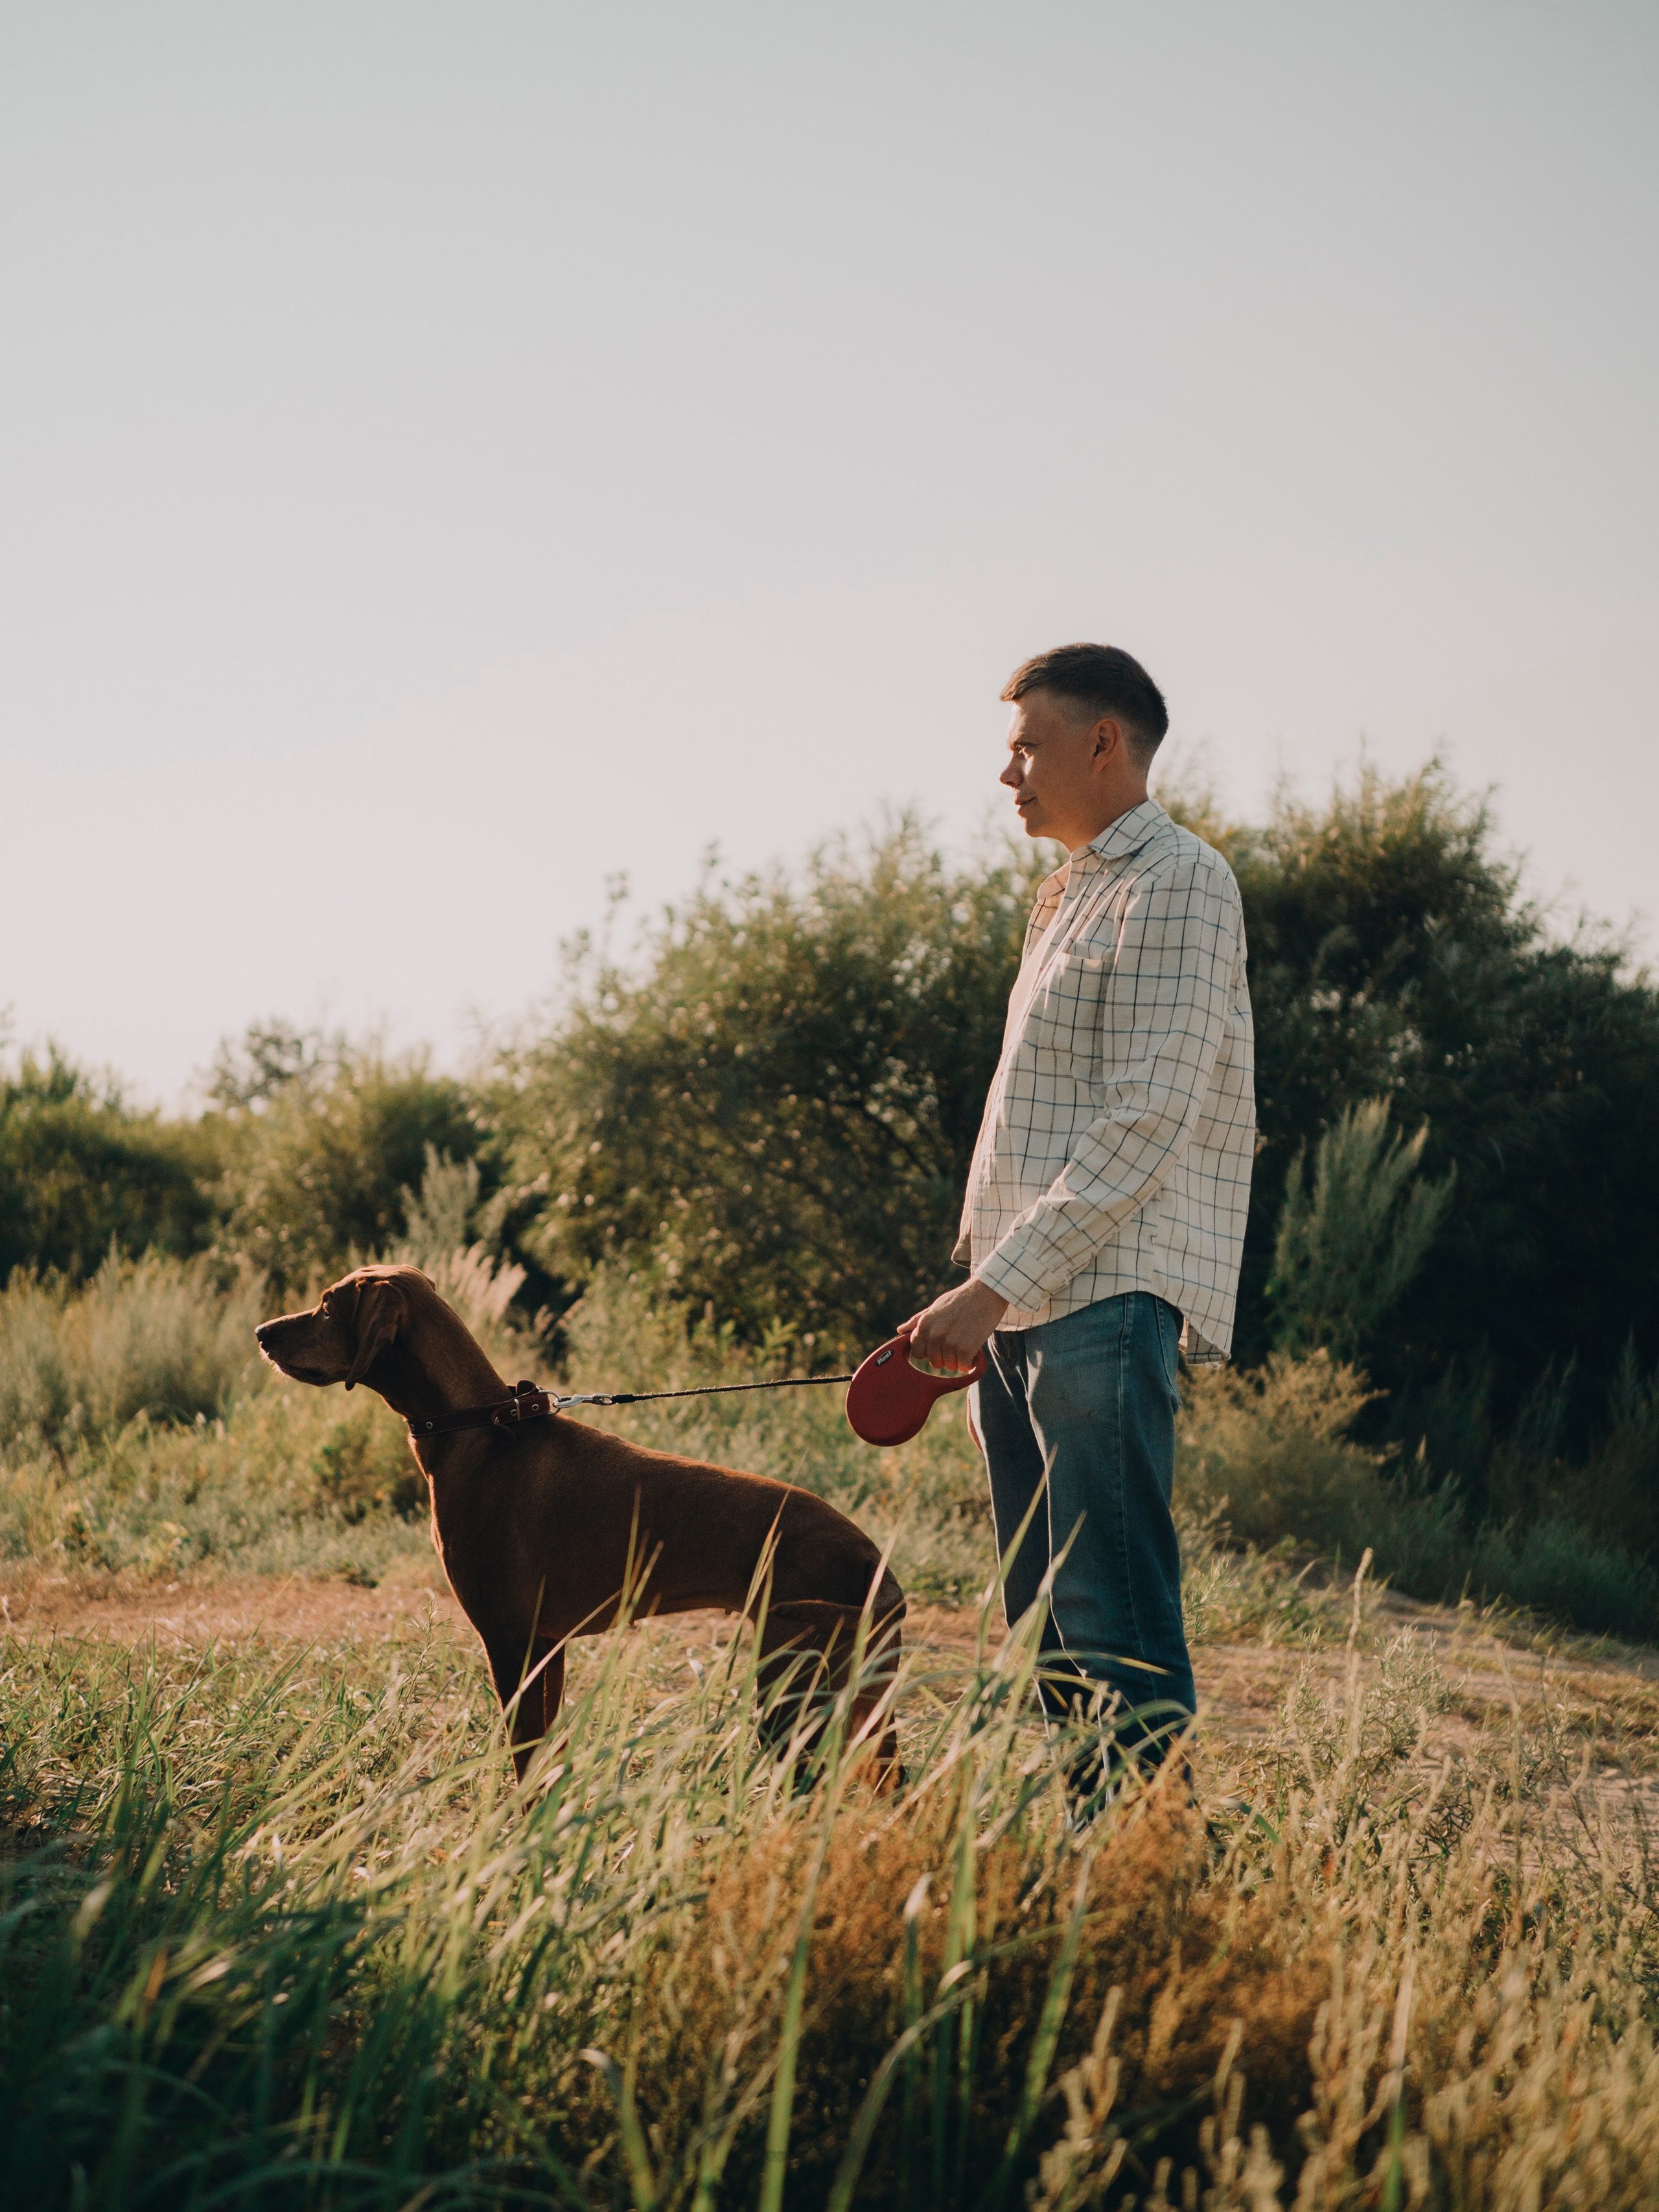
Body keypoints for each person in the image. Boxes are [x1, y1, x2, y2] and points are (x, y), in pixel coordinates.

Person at [898, 642, 1255, 1800]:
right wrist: (985, 1288)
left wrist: (991, 1283)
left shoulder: (1179, 880)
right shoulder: (1073, 890)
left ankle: (1149, 1884)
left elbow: (1147, 1116)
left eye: (1026, 745)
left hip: (1098, 1299)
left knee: (1110, 1605)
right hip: (1019, 1304)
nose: (1008, 773)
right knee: (1045, 1619)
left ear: (1104, 743)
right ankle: (1095, 1883)